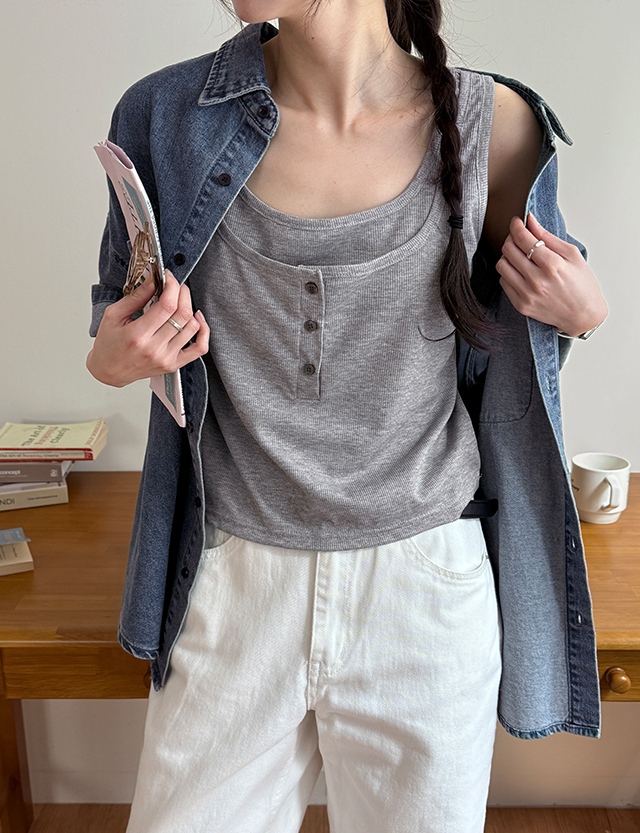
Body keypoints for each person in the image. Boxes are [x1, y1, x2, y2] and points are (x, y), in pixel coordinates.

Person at [87, 1, 608, 831]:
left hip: (424, 591)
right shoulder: (163, 115)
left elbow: (518, 348)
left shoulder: (496, 125)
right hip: (230, 577)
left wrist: (581, 316)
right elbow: (115, 323)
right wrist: (115, 358)